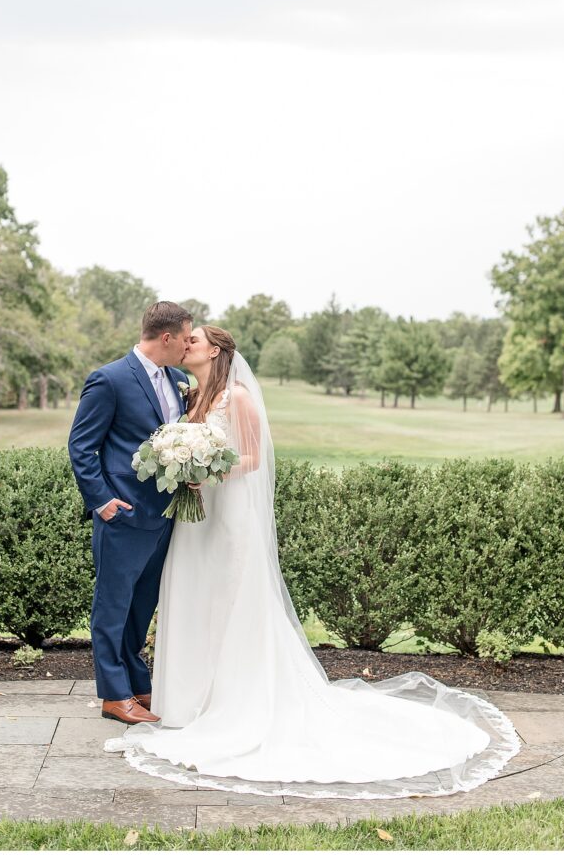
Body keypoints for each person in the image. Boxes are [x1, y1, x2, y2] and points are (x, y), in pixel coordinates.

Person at [104, 325, 522, 800]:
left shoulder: (237, 397)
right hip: (196, 518)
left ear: (215, 350)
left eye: (194, 339)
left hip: (229, 514)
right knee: (195, 599)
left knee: (231, 601)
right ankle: (189, 698)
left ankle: (236, 701)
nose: (187, 345)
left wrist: (205, 469)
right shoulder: (193, 394)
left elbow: (254, 458)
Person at [68, 301, 192, 726]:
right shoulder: (110, 379)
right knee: (112, 606)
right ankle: (113, 695)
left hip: (165, 515)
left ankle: (138, 685)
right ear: (166, 337)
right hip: (121, 514)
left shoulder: (179, 380)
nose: (189, 346)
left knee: (141, 607)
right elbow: (82, 446)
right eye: (186, 338)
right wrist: (102, 501)